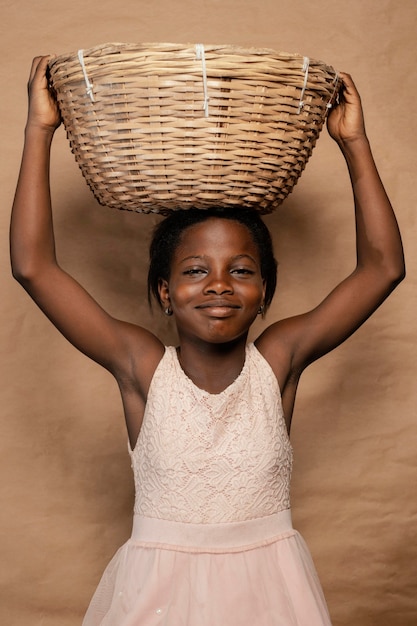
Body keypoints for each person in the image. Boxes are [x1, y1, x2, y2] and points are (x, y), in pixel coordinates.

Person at [10, 55, 405, 626]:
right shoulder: (141, 366)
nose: (219, 285)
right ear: (165, 292)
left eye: (241, 271)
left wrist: (354, 143)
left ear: (265, 291)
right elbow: (33, 268)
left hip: (271, 597)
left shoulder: (278, 360)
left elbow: (383, 269)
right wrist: (39, 129)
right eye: (196, 270)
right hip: (158, 600)